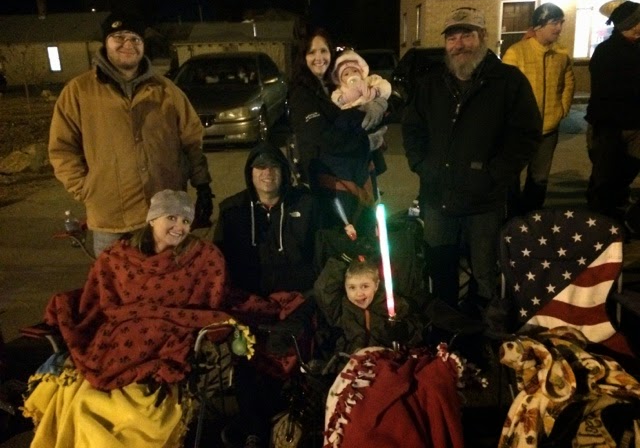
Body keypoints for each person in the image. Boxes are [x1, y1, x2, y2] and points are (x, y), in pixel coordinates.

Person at [22, 190, 245, 448]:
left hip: (163, 347)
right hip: (115, 344)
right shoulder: (120, 256)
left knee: (124, 413)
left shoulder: (202, 256)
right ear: (152, 219)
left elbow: (212, 300)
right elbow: (98, 297)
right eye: (172, 217)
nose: (179, 227)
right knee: (79, 401)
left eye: (186, 221)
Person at [402, 7, 541, 311]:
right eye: (452, 38)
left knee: (485, 274)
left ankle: (481, 327)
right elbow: (412, 128)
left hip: (484, 202)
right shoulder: (431, 83)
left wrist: (493, 174)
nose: (459, 44)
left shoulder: (507, 81)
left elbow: (526, 136)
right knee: (441, 270)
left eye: (467, 35)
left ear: (483, 37)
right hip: (438, 197)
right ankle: (445, 326)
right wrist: (422, 165)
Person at [48, 11, 214, 257]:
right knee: (114, 280)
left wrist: (202, 185)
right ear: (105, 43)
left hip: (164, 214)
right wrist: (86, 189)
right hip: (111, 218)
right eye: (119, 37)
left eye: (135, 39)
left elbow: (192, 140)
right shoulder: (79, 92)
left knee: (167, 278)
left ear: (143, 45)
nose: (128, 44)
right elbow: (62, 148)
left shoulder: (166, 91)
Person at [213, 142, 320, 448]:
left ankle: (292, 420)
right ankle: (254, 429)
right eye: (259, 167)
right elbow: (218, 262)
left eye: (274, 166)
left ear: (284, 172)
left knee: (292, 348)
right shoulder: (233, 211)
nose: (267, 173)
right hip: (250, 300)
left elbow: (322, 256)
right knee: (246, 355)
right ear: (250, 174)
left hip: (297, 298)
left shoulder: (307, 205)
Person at [288, 28, 388, 238]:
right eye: (312, 52)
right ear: (303, 57)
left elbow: (371, 98)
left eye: (323, 51)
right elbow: (323, 137)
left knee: (367, 232)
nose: (319, 58)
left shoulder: (333, 84)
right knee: (342, 238)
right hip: (330, 181)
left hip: (356, 171)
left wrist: (378, 105)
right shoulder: (301, 93)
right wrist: (365, 142)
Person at [502, 2, 575, 214]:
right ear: (538, 25)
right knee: (511, 176)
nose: (559, 28)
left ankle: (533, 217)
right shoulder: (516, 52)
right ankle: (513, 218)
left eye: (561, 22)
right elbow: (504, 90)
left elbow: (569, 82)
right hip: (519, 130)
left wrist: (562, 109)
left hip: (548, 129)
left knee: (540, 178)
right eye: (554, 23)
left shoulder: (561, 54)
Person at [585, 0, 640, 222]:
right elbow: (606, 90)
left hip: (636, 124)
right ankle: (600, 219)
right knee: (605, 174)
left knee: (630, 167)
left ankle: (617, 207)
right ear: (631, 24)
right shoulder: (606, 52)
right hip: (609, 125)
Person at [314, 255, 423, 356]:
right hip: (352, 359)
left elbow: (417, 326)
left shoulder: (390, 303)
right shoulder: (342, 308)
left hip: (384, 357)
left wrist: (404, 330)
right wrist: (341, 261)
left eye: (365, 286)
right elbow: (323, 290)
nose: (359, 293)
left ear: (376, 285)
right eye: (352, 287)